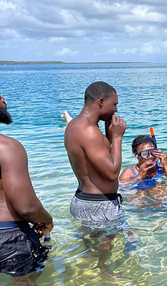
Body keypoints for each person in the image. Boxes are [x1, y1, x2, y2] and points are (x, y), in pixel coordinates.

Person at [0, 83, 54, 286]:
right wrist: (47, 220)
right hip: (8, 237)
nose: (4, 100)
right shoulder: (6, 148)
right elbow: (28, 207)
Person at [64, 81, 128, 274]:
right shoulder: (89, 131)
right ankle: (104, 274)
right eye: (114, 104)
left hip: (84, 199)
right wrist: (117, 137)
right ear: (101, 102)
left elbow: (97, 161)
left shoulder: (74, 125)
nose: (116, 109)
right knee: (103, 250)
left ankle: (87, 277)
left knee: (91, 250)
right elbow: (111, 171)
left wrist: (108, 135)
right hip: (98, 205)